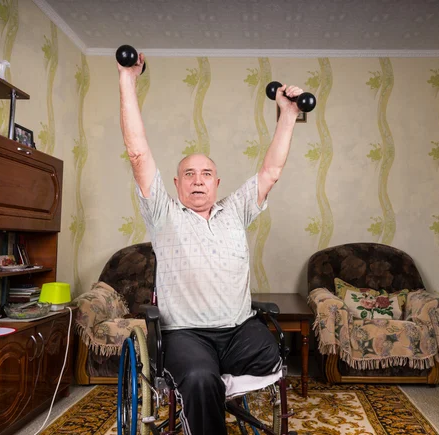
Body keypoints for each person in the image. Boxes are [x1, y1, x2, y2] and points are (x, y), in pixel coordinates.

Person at [118, 52, 303, 435]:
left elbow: (271, 170)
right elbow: (138, 153)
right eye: (189, 174)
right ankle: (202, 397)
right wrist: (127, 78)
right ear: (176, 184)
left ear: (217, 183)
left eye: (206, 174)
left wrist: (287, 114)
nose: (198, 180)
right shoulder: (163, 214)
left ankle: (207, 390)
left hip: (237, 329)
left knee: (273, 355)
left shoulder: (235, 211)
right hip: (184, 333)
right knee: (201, 378)